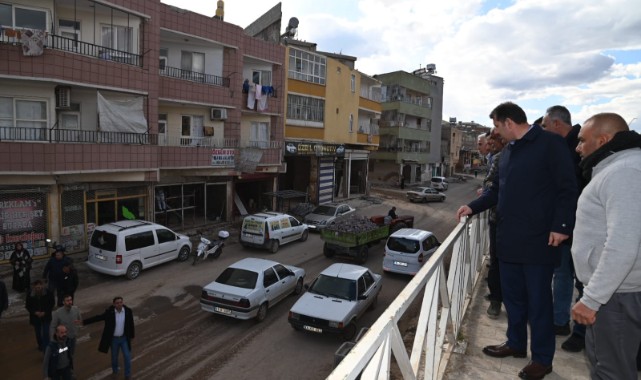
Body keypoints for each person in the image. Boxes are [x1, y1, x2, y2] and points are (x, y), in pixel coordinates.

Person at [456, 102, 577, 380]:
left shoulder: (550, 144)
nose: (496, 133)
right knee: (513, 299)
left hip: (538, 240)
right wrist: (472, 206)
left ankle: (543, 359)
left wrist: (561, 226)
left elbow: (567, 188)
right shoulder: (508, 152)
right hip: (508, 240)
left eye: (497, 126)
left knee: (539, 303)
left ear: (509, 122)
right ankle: (516, 344)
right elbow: (497, 190)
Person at [570, 112, 641, 379]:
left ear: (603, 140)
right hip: (616, 292)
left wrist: (592, 299)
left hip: (616, 296)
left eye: (582, 140)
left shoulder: (624, 172)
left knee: (611, 371)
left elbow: (623, 244)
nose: (577, 147)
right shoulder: (621, 167)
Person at [541, 105, 586, 351]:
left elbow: (571, 191)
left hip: (581, 228)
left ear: (557, 125)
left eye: (546, 126)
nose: (544, 131)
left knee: (583, 281)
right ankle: (560, 322)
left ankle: (581, 332)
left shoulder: (577, 148)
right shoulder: (564, 147)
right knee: (562, 274)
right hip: (566, 227)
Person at [483, 129, 506, 319]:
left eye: (493, 142)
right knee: (496, 260)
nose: (491, 147)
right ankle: (496, 299)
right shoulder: (498, 158)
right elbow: (489, 183)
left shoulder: (517, 154)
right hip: (497, 217)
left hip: (520, 221)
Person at [84, 296, 135, 380]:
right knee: (114, 357)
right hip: (114, 339)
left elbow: (131, 324)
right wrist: (84, 322)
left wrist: (132, 336)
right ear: (114, 304)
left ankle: (127, 375)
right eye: (117, 303)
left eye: (120, 302)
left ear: (122, 303)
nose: (119, 304)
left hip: (124, 339)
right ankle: (115, 371)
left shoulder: (128, 312)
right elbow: (98, 318)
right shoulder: (109, 313)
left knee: (127, 356)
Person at [26, 279, 55, 352]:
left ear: (42, 286)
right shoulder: (30, 295)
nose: (38, 289)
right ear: (34, 287)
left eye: (39, 287)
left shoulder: (48, 293)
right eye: (36, 288)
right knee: (38, 333)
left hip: (46, 316)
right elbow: (28, 306)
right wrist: (35, 312)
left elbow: (51, 304)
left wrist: (45, 312)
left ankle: (47, 348)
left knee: (46, 333)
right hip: (35, 318)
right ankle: (41, 345)